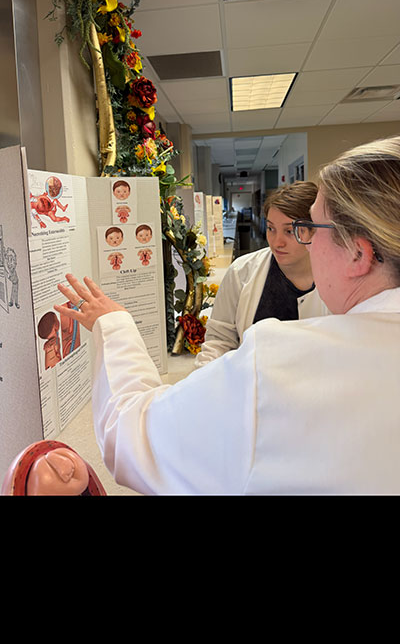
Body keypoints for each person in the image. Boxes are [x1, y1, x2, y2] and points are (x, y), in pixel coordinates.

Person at [54, 136, 400, 495]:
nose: (290, 241)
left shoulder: (278, 363)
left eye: (309, 227)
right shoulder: (247, 275)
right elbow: (219, 339)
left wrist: (114, 324)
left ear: (359, 254)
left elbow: (134, 438)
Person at [195, 181, 328, 367]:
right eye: (271, 228)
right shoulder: (241, 272)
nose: (277, 242)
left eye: (289, 231)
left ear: (315, 231)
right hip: (252, 386)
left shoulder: (338, 280)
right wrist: (206, 380)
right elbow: (219, 340)